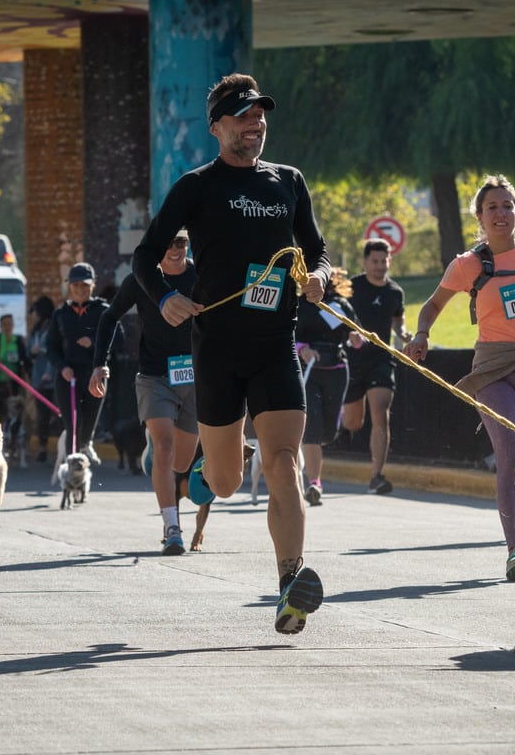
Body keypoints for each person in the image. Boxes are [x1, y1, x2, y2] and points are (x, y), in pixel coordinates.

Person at [132, 72, 331, 634]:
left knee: (284, 462)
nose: (255, 123)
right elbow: (144, 257)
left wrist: (317, 278)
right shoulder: (196, 186)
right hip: (216, 352)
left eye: (260, 114)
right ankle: (216, 464)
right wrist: (167, 297)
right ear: (217, 127)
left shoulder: (287, 182)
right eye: (242, 116)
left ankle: (290, 583)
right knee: (222, 484)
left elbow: (317, 253)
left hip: (274, 348)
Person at [404, 174, 515, 583]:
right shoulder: (469, 265)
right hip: (493, 370)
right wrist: (422, 334)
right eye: (491, 208)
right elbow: (430, 307)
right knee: (511, 455)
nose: (500, 213)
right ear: (479, 217)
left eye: (507, 206)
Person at [90, 229, 200, 555]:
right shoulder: (142, 278)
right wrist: (100, 364)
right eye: (168, 244)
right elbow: (110, 316)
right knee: (166, 447)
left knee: (181, 459)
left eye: (180, 242)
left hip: (195, 377)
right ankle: (172, 527)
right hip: (155, 376)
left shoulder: (201, 274)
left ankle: (153, 451)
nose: (175, 249)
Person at [341, 237, 411, 494]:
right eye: (375, 261)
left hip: (381, 360)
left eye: (384, 261)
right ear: (365, 262)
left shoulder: (395, 292)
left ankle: (376, 476)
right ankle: (341, 417)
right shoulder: (351, 287)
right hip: (352, 359)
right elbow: (334, 313)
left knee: (381, 413)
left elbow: (398, 321)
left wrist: (404, 335)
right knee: (353, 422)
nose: (380, 266)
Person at [297, 267, 363, 507]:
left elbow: (355, 331)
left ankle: (314, 474)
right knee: (312, 427)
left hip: (336, 371)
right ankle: (314, 483)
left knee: (327, 433)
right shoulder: (298, 305)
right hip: (309, 371)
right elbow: (288, 336)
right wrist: (302, 349)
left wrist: (356, 337)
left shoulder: (339, 305)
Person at [47, 262, 111, 465]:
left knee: (89, 419)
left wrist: (93, 341)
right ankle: (70, 472)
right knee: (72, 424)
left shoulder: (103, 310)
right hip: (68, 376)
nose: (80, 290)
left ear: (92, 286)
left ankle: (86, 444)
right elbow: (51, 347)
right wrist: (62, 367)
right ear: (69, 287)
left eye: (85, 285)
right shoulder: (60, 314)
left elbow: (118, 338)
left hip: (95, 374)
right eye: (76, 285)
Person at [0, 313, 29, 422]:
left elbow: (25, 361)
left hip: (14, 385)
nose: (7, 327)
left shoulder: (18, 341)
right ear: (0, 326)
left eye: (9, 324)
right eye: (4, 324)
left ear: (13, 325)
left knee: (16, 414)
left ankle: (14, 436)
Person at [26, 296, 57, 462]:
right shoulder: (36, 329)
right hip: (38, 379)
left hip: (52, 377)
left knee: (57, 415)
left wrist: (49, 370)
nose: (34, 315)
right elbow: (28, 350)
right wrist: (32, 351)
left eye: (36, 311)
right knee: (42, 416)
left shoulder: (53, 328)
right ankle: (43, 447)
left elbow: (55, 351)